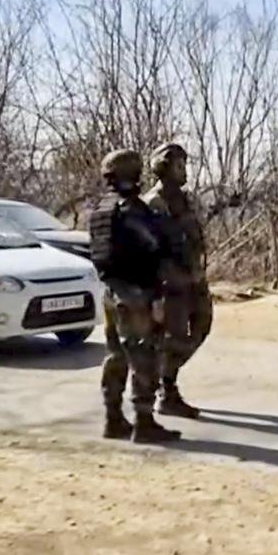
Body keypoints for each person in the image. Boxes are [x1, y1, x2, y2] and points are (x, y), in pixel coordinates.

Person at [91, 149, 182, 443]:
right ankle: (144, 422)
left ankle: (113, 419)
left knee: (116, 356)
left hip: (111, 291)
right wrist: (156, 296)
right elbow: (151, 252)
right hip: (136, 294)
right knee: (144, 355)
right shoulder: (131, 210)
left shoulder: (101, 209)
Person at [143, 142, 212, 419]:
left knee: (202, 327)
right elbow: (147, 251)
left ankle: (164, 378)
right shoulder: (153, 203)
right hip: (169, 284)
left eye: (185, 165)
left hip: (194, 278)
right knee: (173, 337)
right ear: (164, 168)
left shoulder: (187, 199)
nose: (184, 171)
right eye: (179, 166)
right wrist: (154, 294)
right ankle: (165, 390)